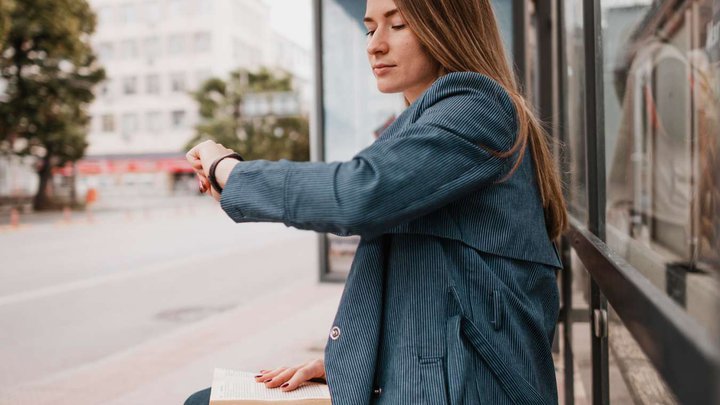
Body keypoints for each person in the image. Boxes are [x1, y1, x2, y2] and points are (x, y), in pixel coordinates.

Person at [184, 0, 567, 403]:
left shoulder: (477, 106)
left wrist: (227, 170)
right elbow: (426, 284)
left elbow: (355, 195)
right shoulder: (424, 124)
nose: (375, 45)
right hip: (428, 378)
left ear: (449, 27)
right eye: (370, 29)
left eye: (397, 25)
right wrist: (351, 361)